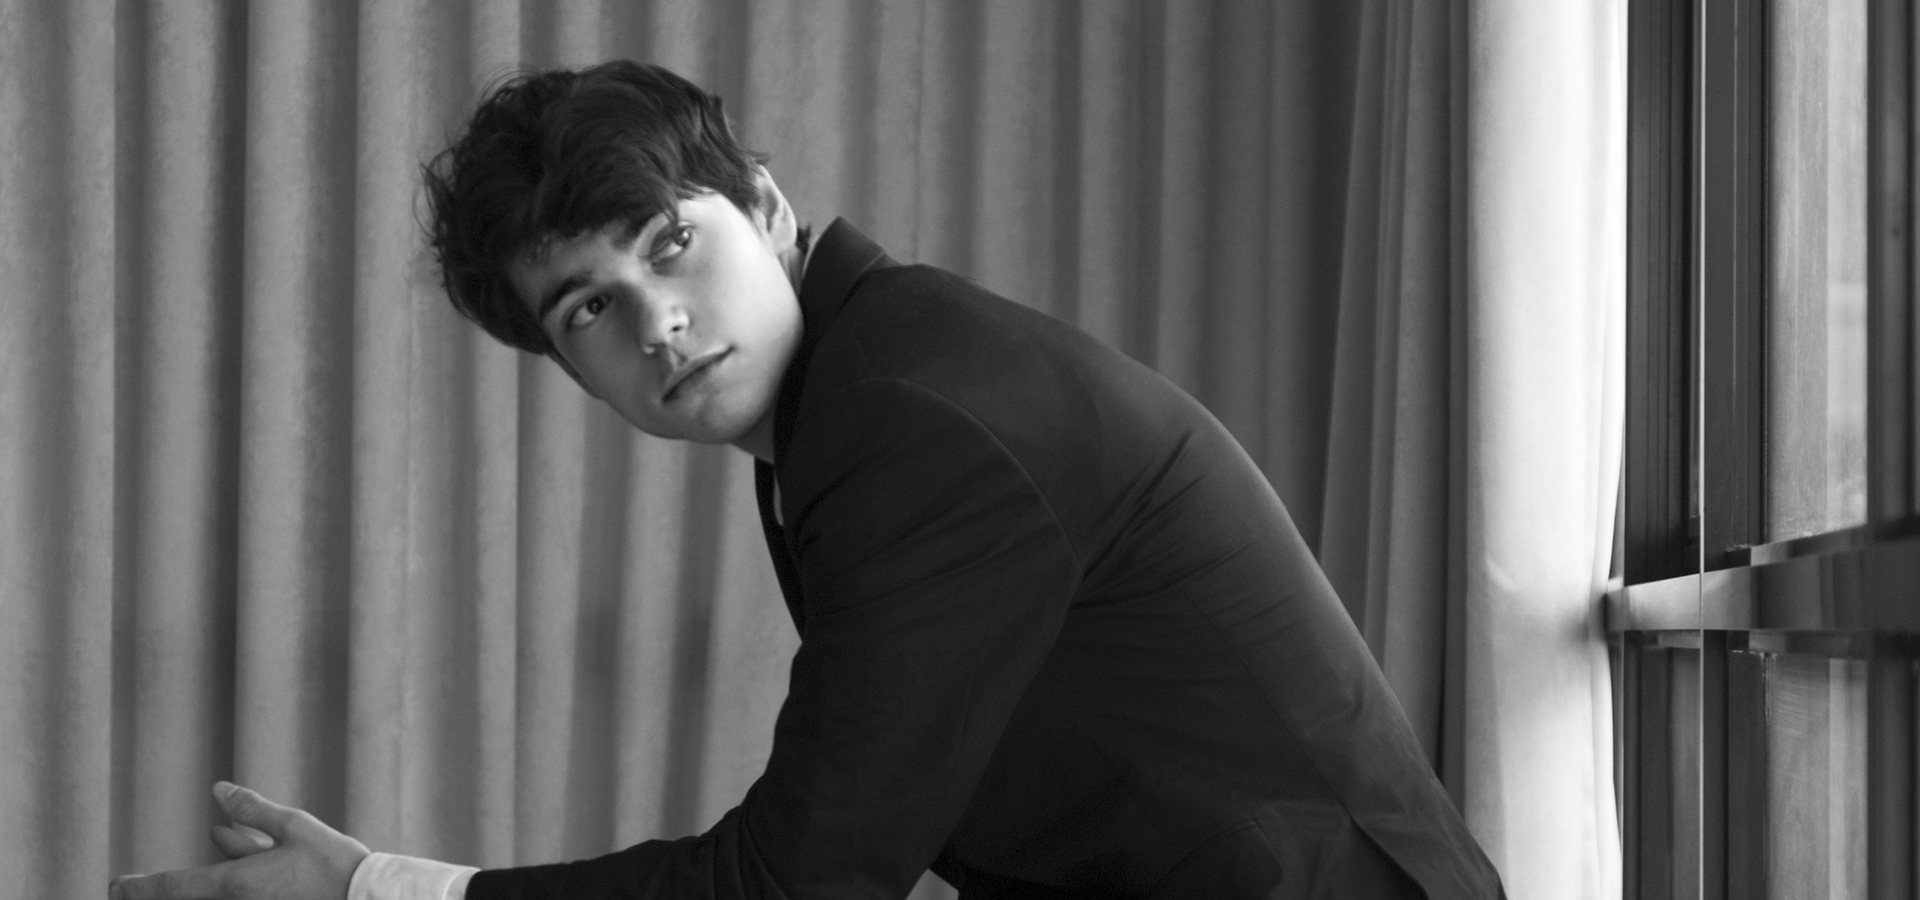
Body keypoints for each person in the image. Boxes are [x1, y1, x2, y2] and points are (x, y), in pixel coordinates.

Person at [111, 60, 1504, 900]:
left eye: (667, 245)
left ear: (768, 211)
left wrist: (379, 890)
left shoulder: (913, 413)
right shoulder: (858, 389)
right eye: (585, 310)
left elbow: (798, 880)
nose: (653, 320)